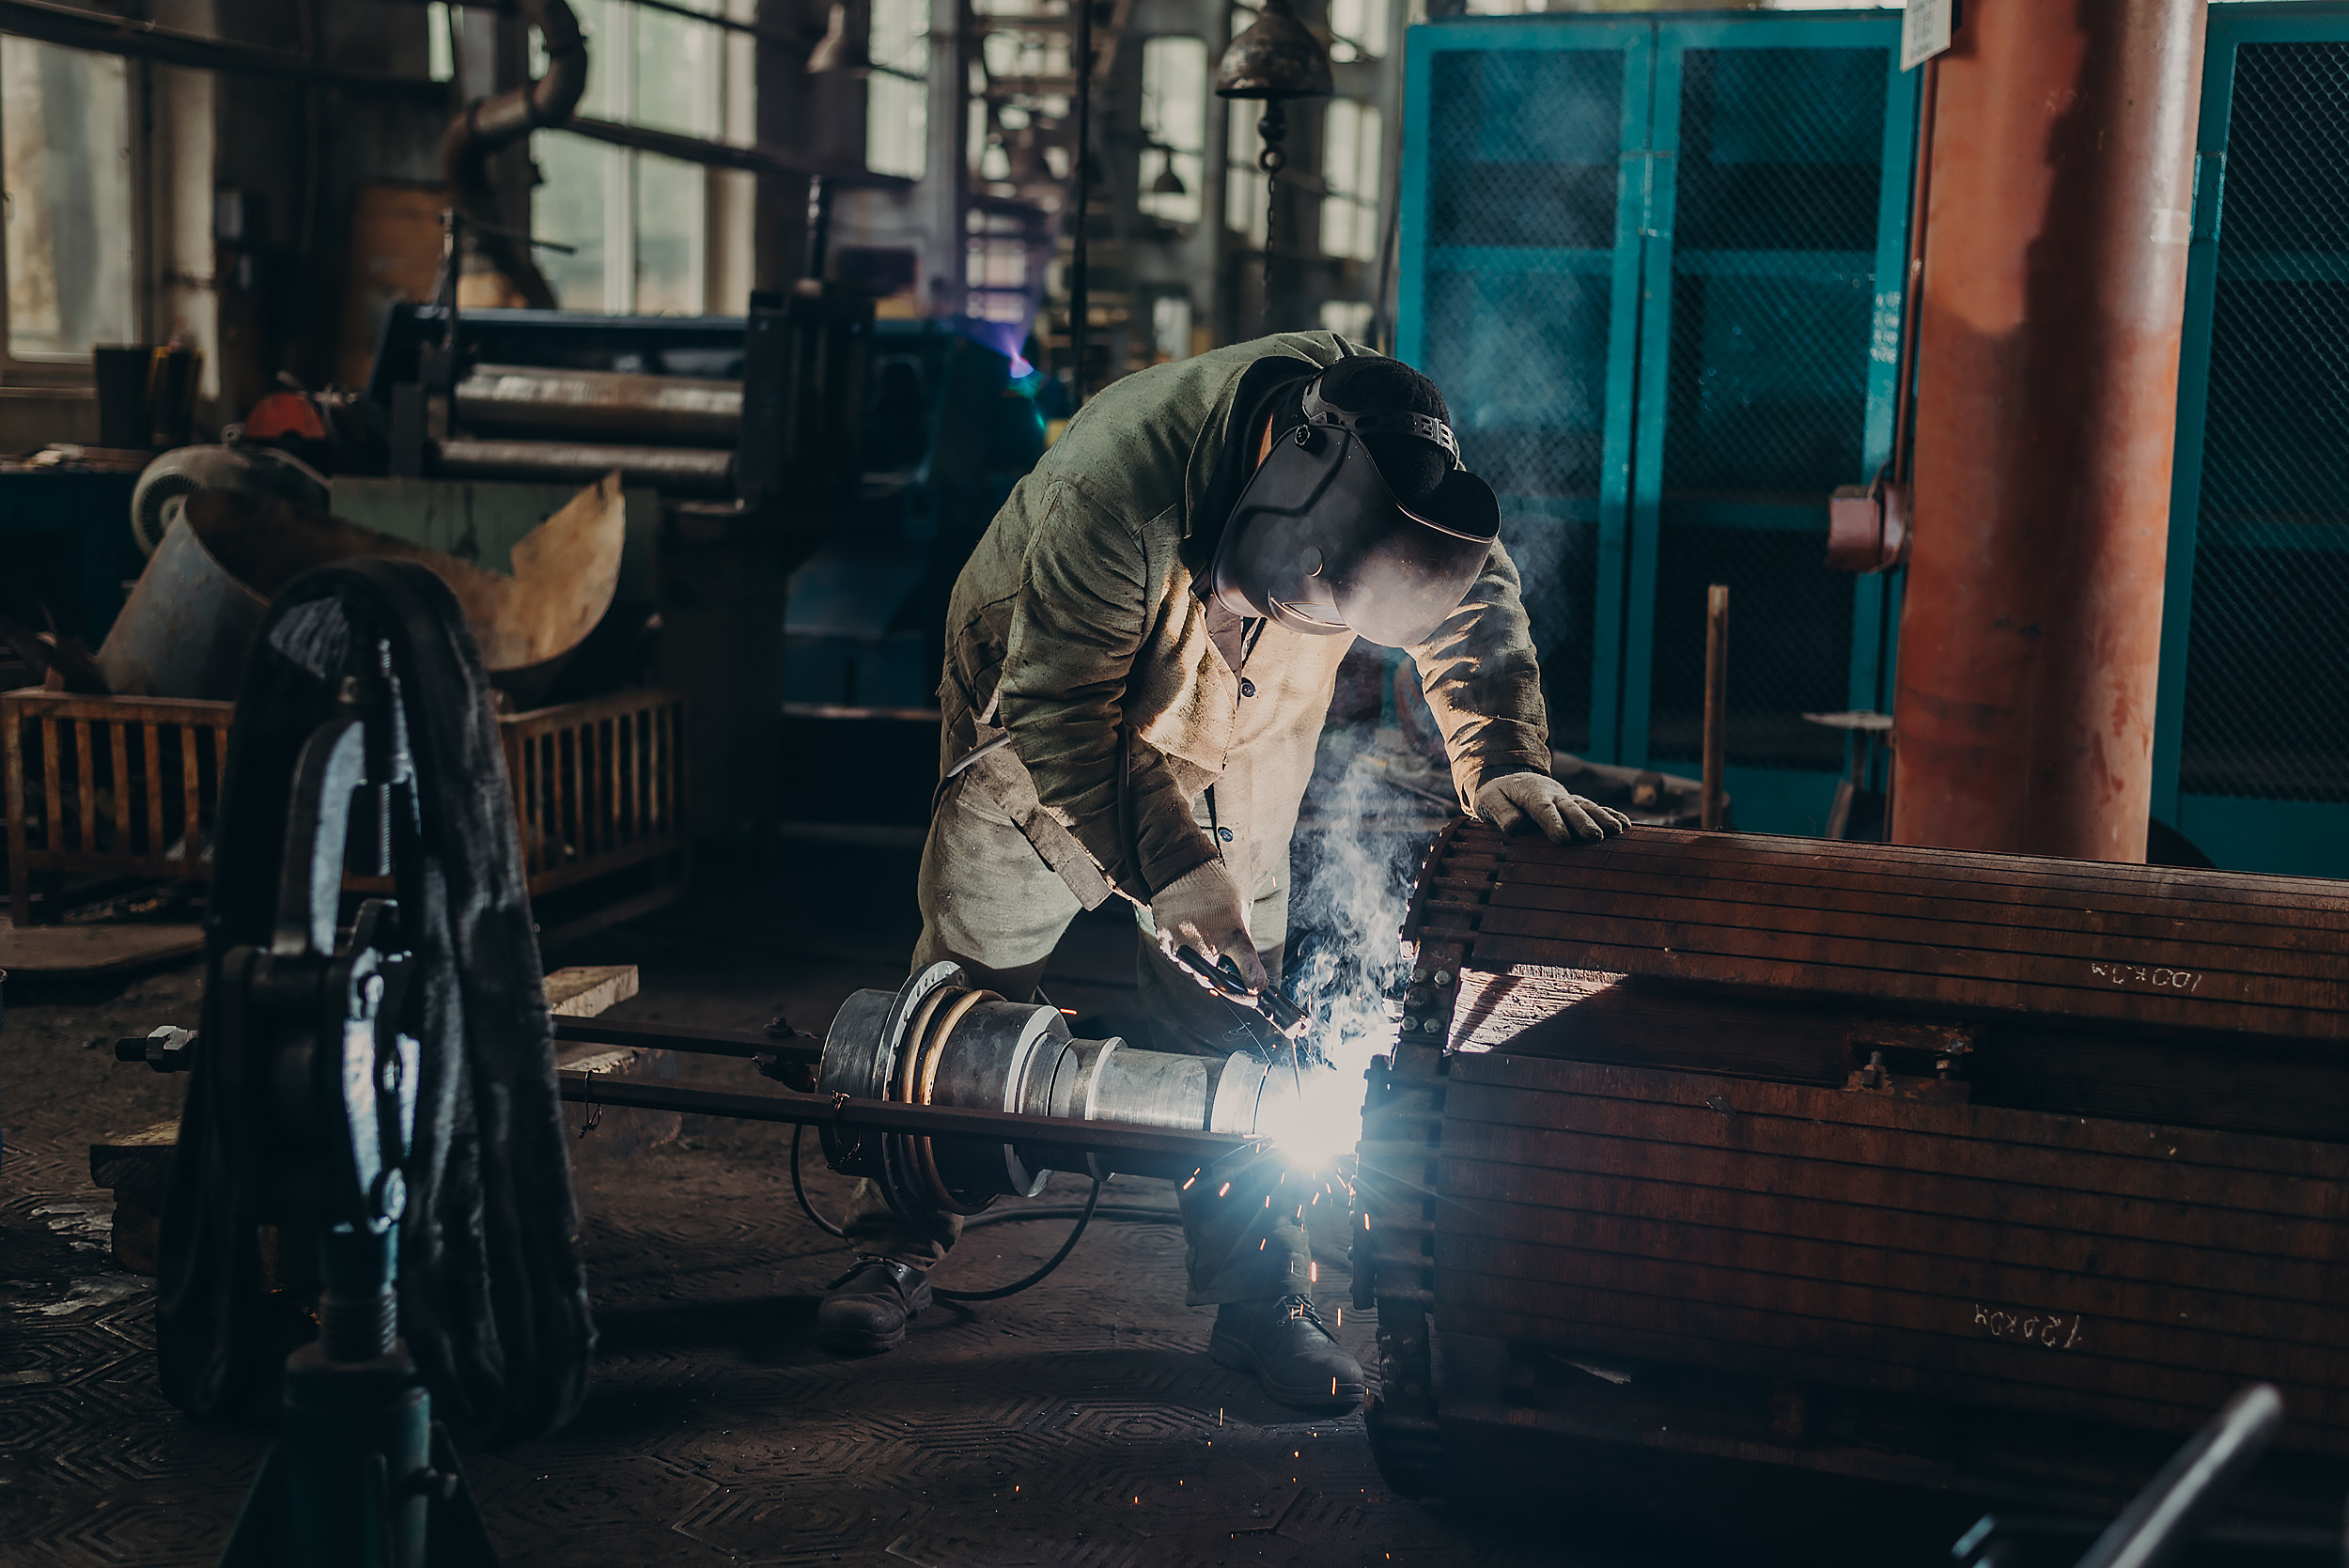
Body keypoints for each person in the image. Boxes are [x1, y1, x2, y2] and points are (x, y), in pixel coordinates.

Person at [814, 331, 1628, 1409]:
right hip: (1045, 712)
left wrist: (1501, 758)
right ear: (1266, 495)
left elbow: (1469, 606)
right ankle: (900, 1236)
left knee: (1252, 1017)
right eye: (1290, 604)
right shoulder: (1116, 486)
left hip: (1244, 726)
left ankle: (1261, 1302)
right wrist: (1177, 876)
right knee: (968, 985)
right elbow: (1064, 715)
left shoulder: (1402, 471)